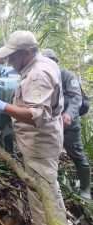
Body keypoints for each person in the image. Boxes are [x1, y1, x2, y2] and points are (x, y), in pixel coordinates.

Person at [0, 31, 68, 224]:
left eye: (13, 56)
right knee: (50, 189)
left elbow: (33, 115)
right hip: (40, 142)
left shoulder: (38, 74)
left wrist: (1, 105)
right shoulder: (42, 63)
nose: (10, 61)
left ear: (27, 52)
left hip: (40, 144)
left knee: (40, 194)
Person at [42, 48, 91, 199]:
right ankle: (52, 184)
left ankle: (85, 189)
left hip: (68, 122)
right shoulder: (42, 76)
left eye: (51, 61)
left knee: (76, 153)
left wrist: (69, 114)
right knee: (47, 154)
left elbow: (76, 98)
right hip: (49, 122)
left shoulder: (67, 76)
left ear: (56, 62)